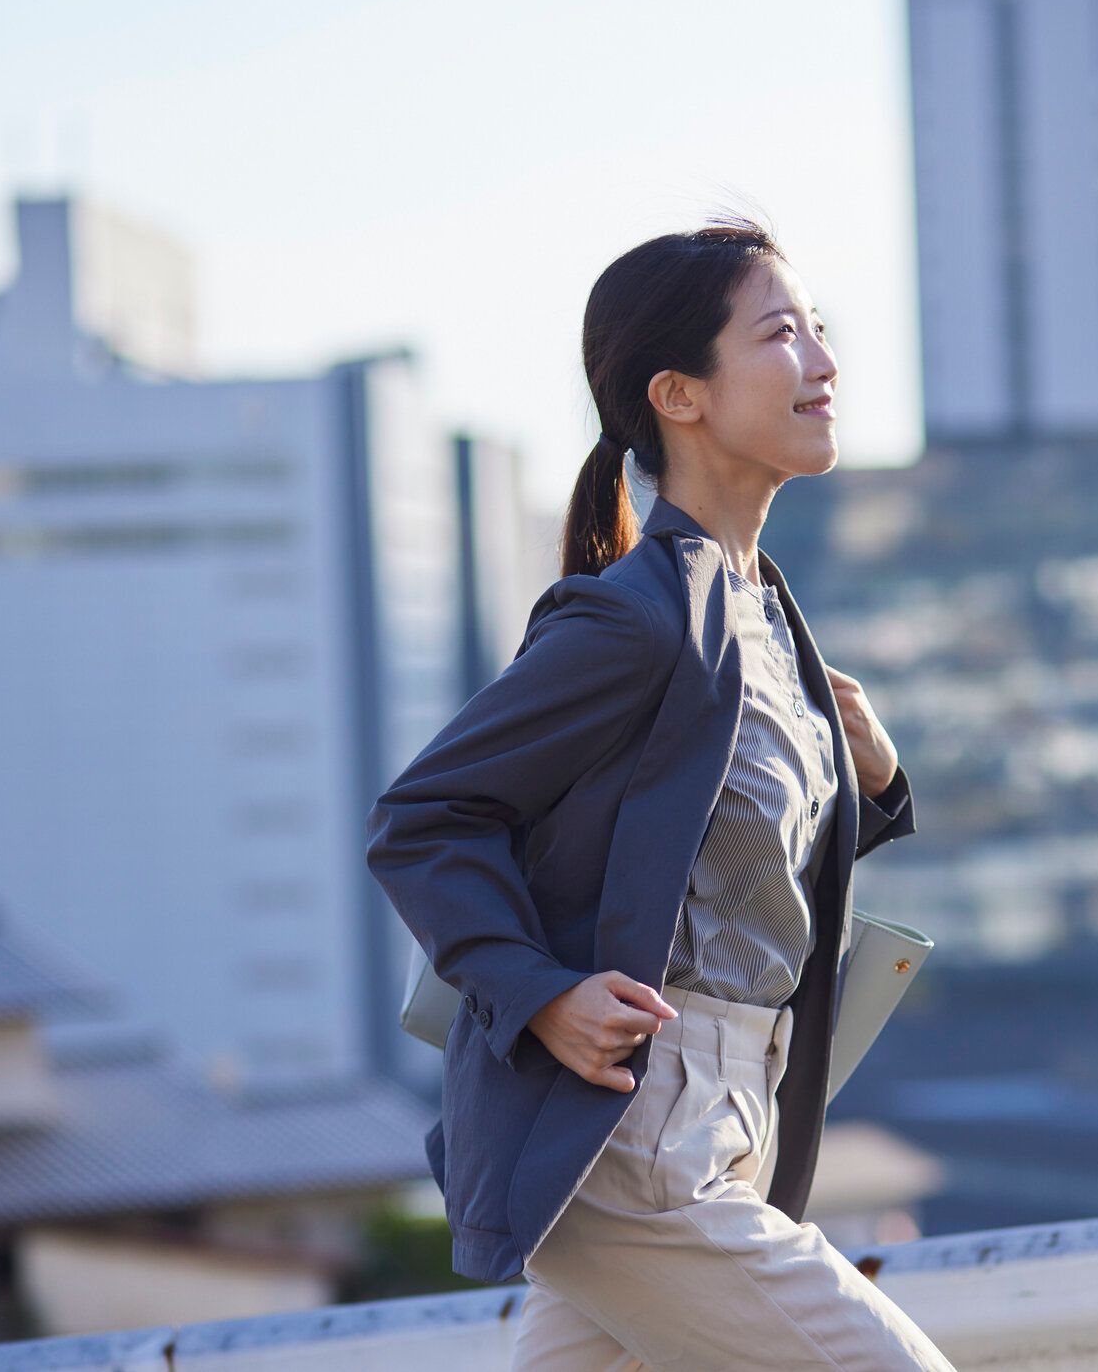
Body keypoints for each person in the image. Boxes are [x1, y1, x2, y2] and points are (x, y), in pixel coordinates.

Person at [366, 217, 955, 1370]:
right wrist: (540, 993)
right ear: (679, 394)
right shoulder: (634, 618)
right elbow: (425, 817)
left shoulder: (765, 616)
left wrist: (872, 780)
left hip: (729, 1116)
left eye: (817, 329)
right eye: (779, 335)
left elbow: (717, 868)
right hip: (634, 1134)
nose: (823, 362)